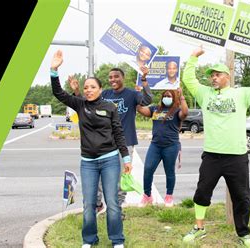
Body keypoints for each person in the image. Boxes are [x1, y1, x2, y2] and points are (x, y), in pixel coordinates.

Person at [51, 50, 132, 248]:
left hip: (110, 160)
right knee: (89, 204)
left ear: (100, 89)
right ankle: (89, 240)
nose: (88, 90)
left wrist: (126, 159)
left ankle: (117, 240)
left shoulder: (110, 107)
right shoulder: (79, 104)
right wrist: (54, 70)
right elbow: (58, 93)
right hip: (88, 162)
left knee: (112, 203)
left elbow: (119, 134)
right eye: (86, 87)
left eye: (92, 87)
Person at [181, 46, 250, 247]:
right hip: (212, 155)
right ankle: (199, 227)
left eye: (217, 74)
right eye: (211, 75)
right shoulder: (205, 94)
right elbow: (189, 79)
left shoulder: (243, 94)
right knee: (202, 192)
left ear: (227, 76)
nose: (213, 78)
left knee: (242, 196)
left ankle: (244, 233)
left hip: (237, 156)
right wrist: (193, 57)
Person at [70, 65, 153, 216]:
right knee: (99, 176)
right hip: (105, 142)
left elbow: (147, 99)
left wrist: (144, 79)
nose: (113, 79)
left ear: (123, 78)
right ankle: (97, 204)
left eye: (116, 76)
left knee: (121, 177)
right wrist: (76, 91)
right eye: (110, 77)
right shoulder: (105, 93)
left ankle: (118, 208)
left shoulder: (132, 94)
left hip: (125, 141)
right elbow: (86, 103)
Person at [136, 88, 188, 207]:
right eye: (165, 95)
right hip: (155, 145)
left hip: (171, 146)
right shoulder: (155, 109)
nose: (167, 98)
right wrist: (138, 95)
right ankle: (147, 196)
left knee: (169, 172)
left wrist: (182, 97)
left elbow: (185, 113)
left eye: (169, 96)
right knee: (148, 169)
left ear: (174, 98)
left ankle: (169, 196)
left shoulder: (176, 110)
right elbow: (140, 109)